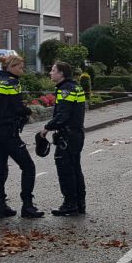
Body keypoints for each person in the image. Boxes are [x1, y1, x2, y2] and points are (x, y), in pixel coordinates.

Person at [0, 53, 42, 219]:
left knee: (0, 169)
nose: (22, 71)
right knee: (28, 166)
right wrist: (28, 111)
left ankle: (1, 207)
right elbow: (18, 108)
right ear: (11, 67)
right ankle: (27, 206)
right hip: (9, 133)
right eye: (20, 67)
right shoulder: (13, 83)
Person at [38, 60, 86, 216]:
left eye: (53, 70)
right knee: (75, 169)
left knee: (66, 171)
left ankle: (69, 204)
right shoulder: (76, 87)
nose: (50, 73)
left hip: (68, 135)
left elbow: (62, 116)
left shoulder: (65, 90)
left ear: (61, 74)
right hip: (76, 134)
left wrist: (47, 127)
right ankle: (79, 203)